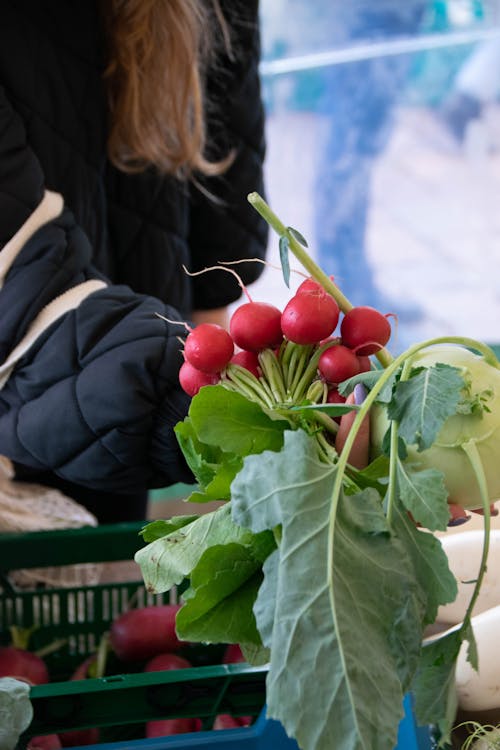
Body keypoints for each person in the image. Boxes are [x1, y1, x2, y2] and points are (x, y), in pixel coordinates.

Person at [0, 1, 268, 523]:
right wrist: (262, 416)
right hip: (44, 357)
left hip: (147, 309)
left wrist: (217, 369)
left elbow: (226, 128)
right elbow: (21, 299)